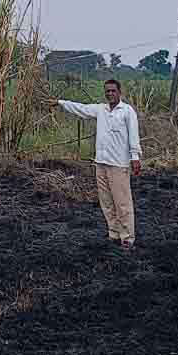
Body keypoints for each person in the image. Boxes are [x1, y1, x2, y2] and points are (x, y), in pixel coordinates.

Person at [48, 79, 142, 250]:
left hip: (119, 164)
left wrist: (135, 157)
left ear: (120, 92)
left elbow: (133, 136)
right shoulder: (101, 109)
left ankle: (128, 237)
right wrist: (60, 103)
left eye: (113, 91)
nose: (110, 94)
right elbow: (81, 109)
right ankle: (114, 233)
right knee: (106, 201)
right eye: (107, 91)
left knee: (122, 202)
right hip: (101, 163)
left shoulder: (127, 111)